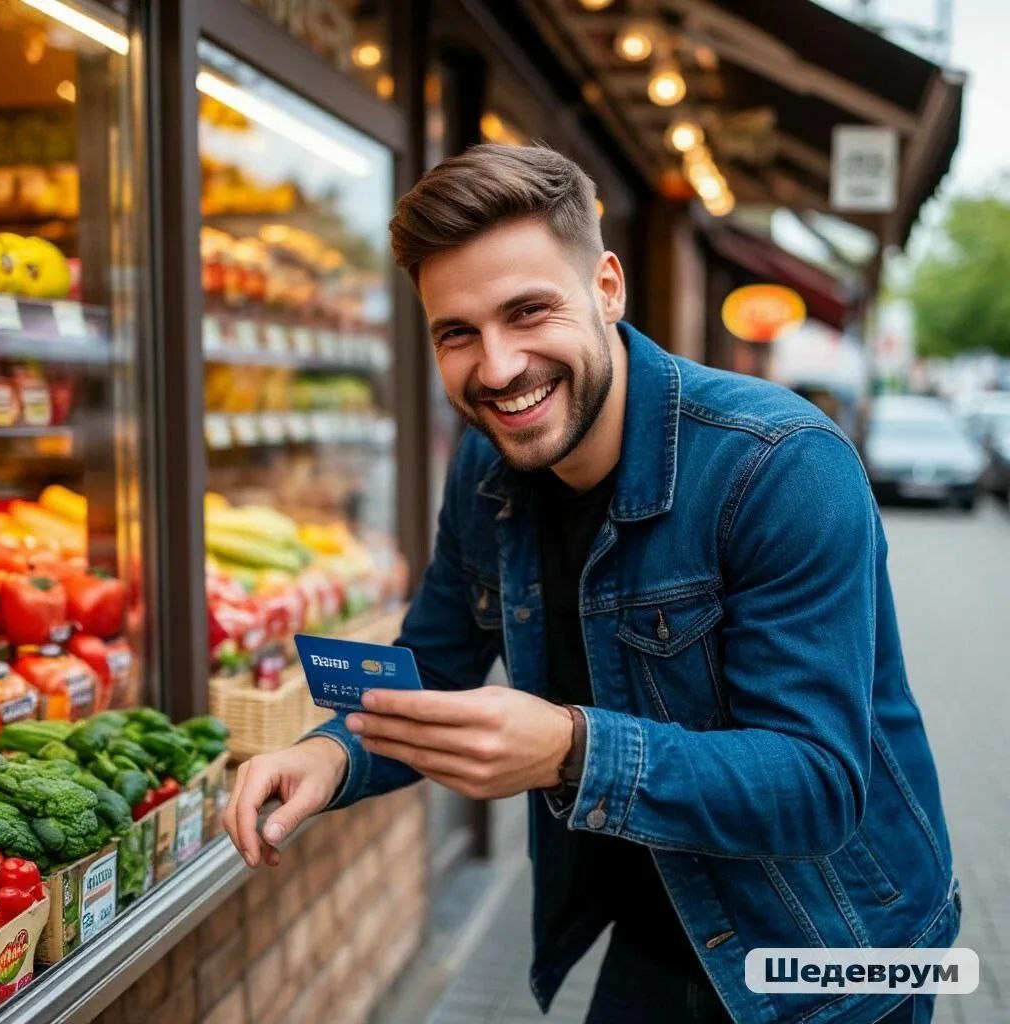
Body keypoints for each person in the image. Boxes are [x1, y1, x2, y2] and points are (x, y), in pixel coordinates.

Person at [223, 144, 960, 1023]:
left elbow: (819, 782)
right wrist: (330, 752)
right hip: (655, 932)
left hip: (834, 949)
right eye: (457, 333)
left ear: (607, 288)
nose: (496, 369)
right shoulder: (485, 469)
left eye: (528, 311)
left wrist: (571, 750)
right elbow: (435, 662)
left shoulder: (779, 466)